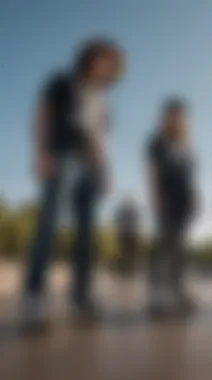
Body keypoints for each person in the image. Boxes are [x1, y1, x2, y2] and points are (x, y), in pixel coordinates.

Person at [22, 38, 124, 324]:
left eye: (114, 64)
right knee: (49, 225)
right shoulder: (62, 81)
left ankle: (81, 297)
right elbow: (43, 114)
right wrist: (41, 152)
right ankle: (34, 297)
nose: (110, 66)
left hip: (92, 166)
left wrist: (106, 172)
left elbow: (103, 139)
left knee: (86, 234)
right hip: (63, 156)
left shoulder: (104, 99)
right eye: (107, 58)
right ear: (92, 57)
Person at [146, 98, 196, 313]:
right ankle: (157, 295)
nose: (177, 118)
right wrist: (156, 196)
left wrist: (194, 199)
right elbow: (153, 171)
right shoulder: (157, 141)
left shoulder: (186, 145)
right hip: (166, 198)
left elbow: (190, 175)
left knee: (179, 246)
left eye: (181, 115)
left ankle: (178, 291)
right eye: (174, 114)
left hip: (184, 200)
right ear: (166, 117)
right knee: (164, 245)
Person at [114, 197, 140, 277]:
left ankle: (128, 271)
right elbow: (118, 220)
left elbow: (136, 220)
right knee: (124, 253)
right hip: (125, 235)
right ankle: (123, 271)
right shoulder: (126, 212)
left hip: (129, 235)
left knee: (130, 254)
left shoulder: (132, 212)